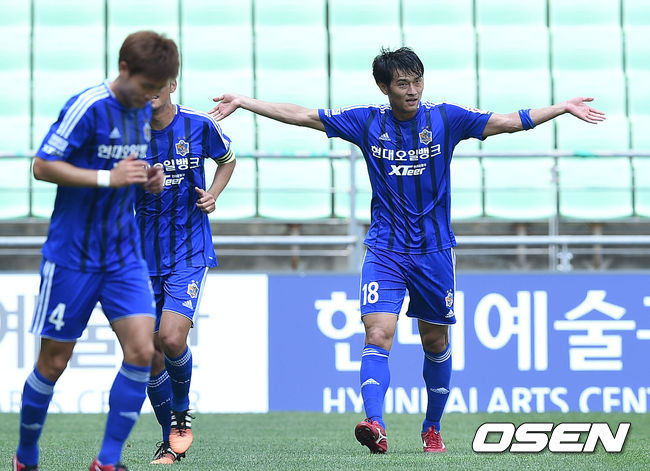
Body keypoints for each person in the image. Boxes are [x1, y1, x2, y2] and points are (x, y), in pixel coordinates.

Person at [209, 47, 605, 454]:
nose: (412, 90)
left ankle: (432, 427)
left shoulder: (446, 117)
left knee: (435, 341)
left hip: (434, 252)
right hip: (385, 250)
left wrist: (561, 108)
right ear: (384, 87)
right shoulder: (366, 121)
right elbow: (303, 115)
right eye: (402, 84)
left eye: (417, 81)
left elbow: (507, 122)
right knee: (378, 333)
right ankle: (375, 423)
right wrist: (245, 101)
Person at [12, 31, 179, 471]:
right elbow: (42, 165)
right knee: (53, 363)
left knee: (143, 352)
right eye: (146, 87)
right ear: (124, 69)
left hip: (124, 257)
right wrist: (108, 178)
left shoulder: (141, 110)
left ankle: (107, 461)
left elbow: (127, 169)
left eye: (158, 90)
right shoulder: (87, 106)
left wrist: (148, 179)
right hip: (72, 257)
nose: (151, 98)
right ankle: (25, 456)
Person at [134, 79, 235, 465]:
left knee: (172, 338)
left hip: (188, 250)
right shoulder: (125, 135)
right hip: (142, 256)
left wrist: (213, 194)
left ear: (172, 82)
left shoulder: (199, 124)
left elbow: (227, 159)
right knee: (148, 353)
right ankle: (170, 442)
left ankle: (180, 413)